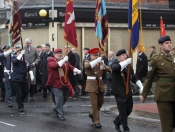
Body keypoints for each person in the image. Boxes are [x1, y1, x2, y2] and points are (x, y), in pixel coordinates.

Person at [140, 36, 175, 132]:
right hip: (164, 94)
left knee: (172, 122)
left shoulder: (172, 58)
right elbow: (149, 77)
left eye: (170, 42)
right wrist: (144, 94)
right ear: (160, 45)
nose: (169, 44)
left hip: (173, 93)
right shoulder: (156, 59)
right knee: (167, 124)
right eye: (167, 43)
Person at [111, 49, 143, 132]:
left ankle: (117, 121)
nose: (125, 56)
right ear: (118, 57)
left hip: (127, 91)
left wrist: (141, 86)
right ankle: (126, 128)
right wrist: (126, 62)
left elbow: (133, 77)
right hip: (119, 91)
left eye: (125, 55)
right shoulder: (115, 63)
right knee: (122, 111)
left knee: (129, 109)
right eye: (122, 55)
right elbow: (116, 68)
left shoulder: (128, 66)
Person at [46, 48, 81, 121]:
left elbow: (70, 67)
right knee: (59, 98)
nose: (60, 54)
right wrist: (64, 60)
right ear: (54, 54)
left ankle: (56, 108)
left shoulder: (65, 61)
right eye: (58, 53)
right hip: (55, 83)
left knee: (65, 97)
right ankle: (60, 113)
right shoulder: (50, 60)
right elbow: (55, 66)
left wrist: (77, 70)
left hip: (64, 82)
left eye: (61, 53)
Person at [84, 48, 111, 128]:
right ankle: (96, 121)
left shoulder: (100, 63)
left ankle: (92, 114)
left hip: (100, 85)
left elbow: (108, 68)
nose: (95, 57)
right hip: (91, 85)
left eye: (96, 55)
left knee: (101, 102)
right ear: (90, 55)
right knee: (94, 104)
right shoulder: (87, 61)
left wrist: (117, 69)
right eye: (94, 55)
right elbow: (88, 67)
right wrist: (97, 61)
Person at [12, 46, 34, 112]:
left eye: (21, 52)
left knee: (26, 91)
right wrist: (21, 54)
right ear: (17, 53)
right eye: (19, 52)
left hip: (24, 78)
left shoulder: (25, 58)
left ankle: (19, 100)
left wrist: (31, 74)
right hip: (16, 78)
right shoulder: (14, 57)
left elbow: (29, 67)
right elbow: (15, 61)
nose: (20, 53)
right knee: (19, 93)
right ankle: (20, 106)